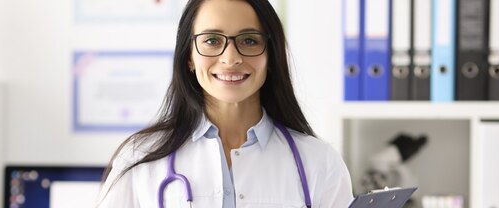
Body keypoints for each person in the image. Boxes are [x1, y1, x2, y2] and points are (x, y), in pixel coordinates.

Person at [96, 0, 353, 207]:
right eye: (212, 40)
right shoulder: (139, 158)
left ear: (271, 56)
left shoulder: (319, 162)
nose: (231, 58)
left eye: (249, 41)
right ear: (189, 57)